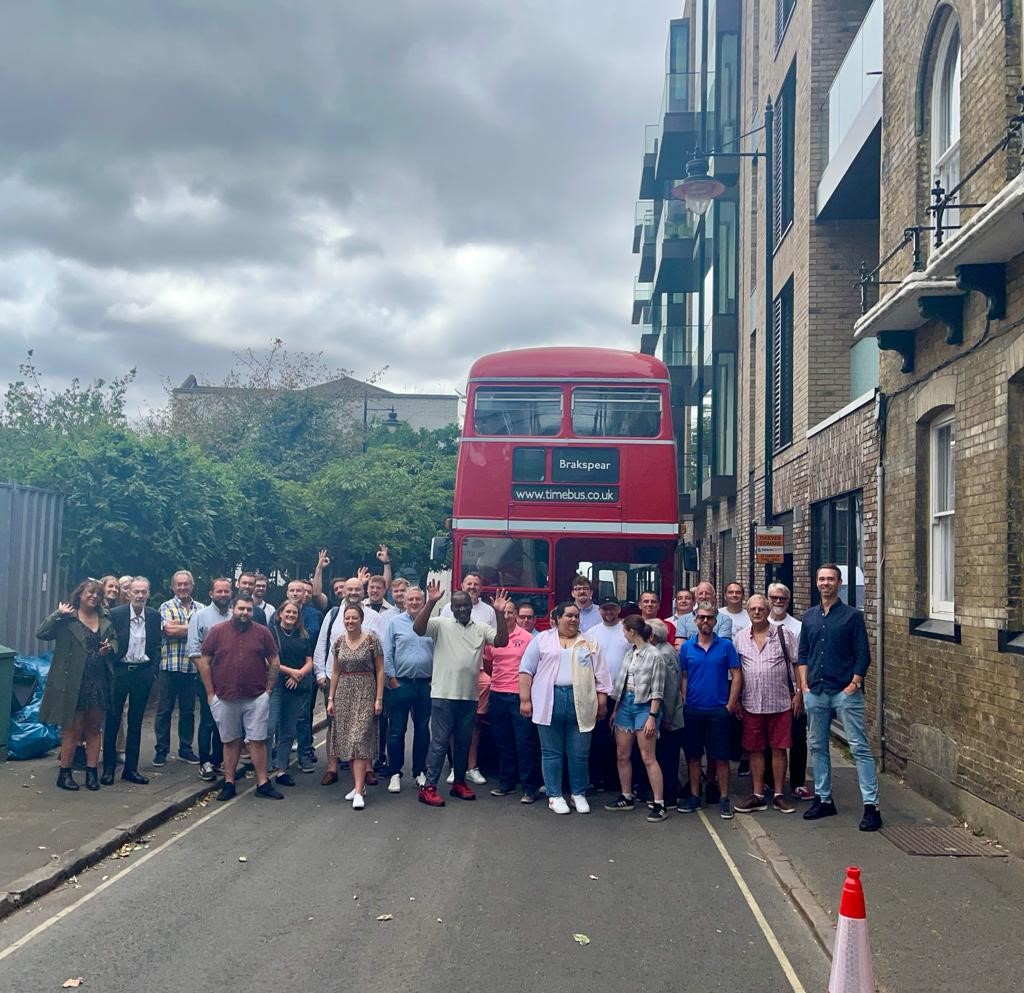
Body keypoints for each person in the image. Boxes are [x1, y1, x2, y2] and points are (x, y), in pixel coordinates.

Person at [798, 564, 880, 832]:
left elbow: (862, 653)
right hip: (816, 691)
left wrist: (854, 684)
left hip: (845, 692)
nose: (825, 583)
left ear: (840, 583)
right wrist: (804, 687)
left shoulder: (851, 616)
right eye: (821, 579)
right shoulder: (809, 617)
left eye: (830, 579)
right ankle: (824, 799)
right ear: (816, 583)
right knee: (818, 747)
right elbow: (803, 654)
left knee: (859, 747)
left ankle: (871, 806)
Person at [414, 582, 509, 807]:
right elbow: (418, 629)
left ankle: (459, 783)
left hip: (469, 696)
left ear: (471, 606)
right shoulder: (440, 624)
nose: (462, 609)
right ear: (452, 608)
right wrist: (431, 601)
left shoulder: (481, 627)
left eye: (465, 605)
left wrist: (498, 613)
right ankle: (428, 787)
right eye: (457, 606)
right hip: (443, 694)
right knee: (439, 742)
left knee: (463, 743)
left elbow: (502, 641)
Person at [519, 601, 611, 815]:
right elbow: (525, 670)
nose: (573, 619)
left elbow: (602, 675)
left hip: (581, 700)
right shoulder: (541, 640)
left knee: (579, 752)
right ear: (557, 618)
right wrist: (525, 700)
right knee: (551, 752)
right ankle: (554, 795)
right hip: (549, 699)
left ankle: (578, 793)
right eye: (568, 615)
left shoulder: (589, 641)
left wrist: (602, 702)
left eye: (576, 616)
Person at [196, 594, 283, 801]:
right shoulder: (217, 632)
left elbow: (274, 659)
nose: (245, 613)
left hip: (256, 695)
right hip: (225, 695)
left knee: (258, 740)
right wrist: (210, 693)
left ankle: (262, 782)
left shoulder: (262, 632)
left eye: (248, 610)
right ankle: (229, 782)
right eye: (241, 609)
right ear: (233, 609)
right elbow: (204, 661)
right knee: (230, 740)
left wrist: (268, 690)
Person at [38, 580, 117, 792]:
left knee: (94, 729)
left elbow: (115, 641)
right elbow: (42, 633)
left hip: (98, 680)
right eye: (90, 593)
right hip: (73, 682)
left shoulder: (105, 618)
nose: (94, 597)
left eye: (98, 594)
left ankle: (92, 773)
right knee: (72, 730)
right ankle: (65, 774)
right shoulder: (67, 618)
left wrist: (110, 647)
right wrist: (57, 614)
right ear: (80, 594)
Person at [733, 595, 800, 815]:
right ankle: (758, 794)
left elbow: (797, 664)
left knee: (779, 750)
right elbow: (736, 672)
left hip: (780, 703)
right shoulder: (740, 638)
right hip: (751, 703)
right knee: (755, 751)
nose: (757, 612)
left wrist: (798, 693)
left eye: (761, 608)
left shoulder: (783, 634)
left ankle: (779, 794)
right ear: (748, 611)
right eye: (753, 609)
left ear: (768, 609)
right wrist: (735, 700)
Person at [678, 601, 742, 819]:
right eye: (702, 617)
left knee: (721, 758)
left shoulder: (725, 646)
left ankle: (724, 798)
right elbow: (684, 676)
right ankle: (695, 796)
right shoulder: (686, 647)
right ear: (695, 620)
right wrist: (685, 701)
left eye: (710, 618)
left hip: (718, 710)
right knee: (694, 757)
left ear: (716, 621)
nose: (706, 621)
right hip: (693, 709)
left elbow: (737, 676)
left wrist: (730, 705)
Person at [605, 615, 668, 821]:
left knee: (648, 757)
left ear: (632, 632)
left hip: (644, 706)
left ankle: (659, 803)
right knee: (622, 754)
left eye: (625, 631)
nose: (623, 635)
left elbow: (658, 690)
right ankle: (626, 796)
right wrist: (616, 709)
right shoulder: (630, 653)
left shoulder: (655, 655)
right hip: (625, 704)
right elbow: (622, 684)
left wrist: (652, 716)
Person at [326, 603, 385, 810]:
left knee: (359, 739)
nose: (350, 622)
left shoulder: (371, 641)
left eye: (354, 618)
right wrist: (331, 699)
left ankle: (359, 791)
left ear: (361, 619)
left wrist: (379, 698)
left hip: (365, 690)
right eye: (347, 618)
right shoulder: (339, 642)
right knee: (347, 742)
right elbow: (335, 671)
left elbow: (379, 670)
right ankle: (358, 785)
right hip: (344, 692)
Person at [440, 572, 497, 785]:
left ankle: (472, 766)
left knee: (474, 723)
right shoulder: (448, 608)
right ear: (461, 586)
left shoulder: (489, 611)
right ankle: (456, 767)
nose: (472, 587)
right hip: (452, 674)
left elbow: (494, 643)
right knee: (453, 724)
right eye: (469, 584)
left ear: (481, 588)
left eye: (476, 584)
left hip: (478, 674)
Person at [103, 577, 161, 785]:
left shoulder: (154, 616)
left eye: (143, 592)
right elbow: (108, 640)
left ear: (148, 593)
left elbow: (156, 645)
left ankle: (131, 769)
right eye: (136, 592)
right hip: (120, 672)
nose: (139, 596)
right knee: (113, 720)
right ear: (128, 594)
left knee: (136, 723)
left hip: (142, 673)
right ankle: (108, 769)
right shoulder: (116, 614)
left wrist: (152, 671)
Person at [483, 600, 541, 803]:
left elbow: (534, 669)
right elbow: (488, 663)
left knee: (524, 743)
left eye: (510, 612)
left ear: (515, 615)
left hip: (519, 697)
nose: (506, 616)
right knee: (503, 742)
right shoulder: (493, 637)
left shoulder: (527, 638)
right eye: (503, 612)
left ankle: (529, 788)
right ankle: (506, 783)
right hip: (497, 695)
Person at [383, 586, 434, 793]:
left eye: (418, 599)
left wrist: (434, 679)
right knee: (396, 731)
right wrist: (392, 679)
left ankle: (419, 771)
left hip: (425, 684)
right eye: (410, 599)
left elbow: (439, 651)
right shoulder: (394, 623)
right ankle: (395, 773)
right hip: (401, 683)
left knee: (422, 730)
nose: (414, 603)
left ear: (423, 602)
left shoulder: (432, 623)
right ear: (404, 603)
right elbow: (388, 653)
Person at [186, 578, 235, 780]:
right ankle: (205, 762)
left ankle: (218, 760)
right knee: (207, 720)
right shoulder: (200, 616)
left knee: (223, 720)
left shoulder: (235, 616)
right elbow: (193, 650)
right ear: (211, 594)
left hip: (230, 678)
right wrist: (206, 676)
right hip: (208, 677)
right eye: (219, 591)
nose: (223, 595)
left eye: (226, 591)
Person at [767, 582, 811, 800]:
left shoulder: (798, 626)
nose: (777, 602)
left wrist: (800, 693)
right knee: (769, 739)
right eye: (774, 597)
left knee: (797, 737)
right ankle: (768, 781)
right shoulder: (759, 623)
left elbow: (803, 661)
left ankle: (798, 782)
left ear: (788, 601)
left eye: (782, 598)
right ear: (768, 599)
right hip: (767, 694)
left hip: (792, 692)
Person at [155, 570, 203, 768]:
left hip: (192, 668)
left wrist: (182, 628)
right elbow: (168, 630)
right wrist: (193, 628)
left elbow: (207, 632)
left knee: (188, 711)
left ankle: (185, 748)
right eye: (179, 585)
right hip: (169, 666)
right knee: (163, 710)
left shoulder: (201, 608)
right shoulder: (165, 606)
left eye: (186, 584)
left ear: (192, 586)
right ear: (173, 587)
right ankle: (161, 750)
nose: (182, 588)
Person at [267, 601, 313, 788]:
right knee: (269, 728)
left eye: (294, 612)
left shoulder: (303, 635)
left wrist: (299, 674)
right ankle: (265, 766)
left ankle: (281, 769)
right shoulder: (271, 633)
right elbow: (268, 660)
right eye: (288, 611)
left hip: (296, 686)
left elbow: (310, 661)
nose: (291, 615)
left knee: (288, 730)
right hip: (277, 685)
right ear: (280, 614)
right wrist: (290, 672)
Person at [588, 595, 629, 792]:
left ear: (618, 610)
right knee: (599, 738)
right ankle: (598, 778)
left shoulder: (627, 631)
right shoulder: (591, 633)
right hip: (598, 694)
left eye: (612, 608)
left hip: (623, 695)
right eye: (605, 609)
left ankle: (616, 781)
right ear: (599, 611)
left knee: (622, 742)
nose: (609, 612)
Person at [650, 619, 685, 809]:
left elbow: (670, 689)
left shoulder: (663, 655)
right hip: (669, 715)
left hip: (669, 717)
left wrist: (667, 718)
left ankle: (670, 795)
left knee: (667, 757)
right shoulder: (667, 650)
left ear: (652, 636)